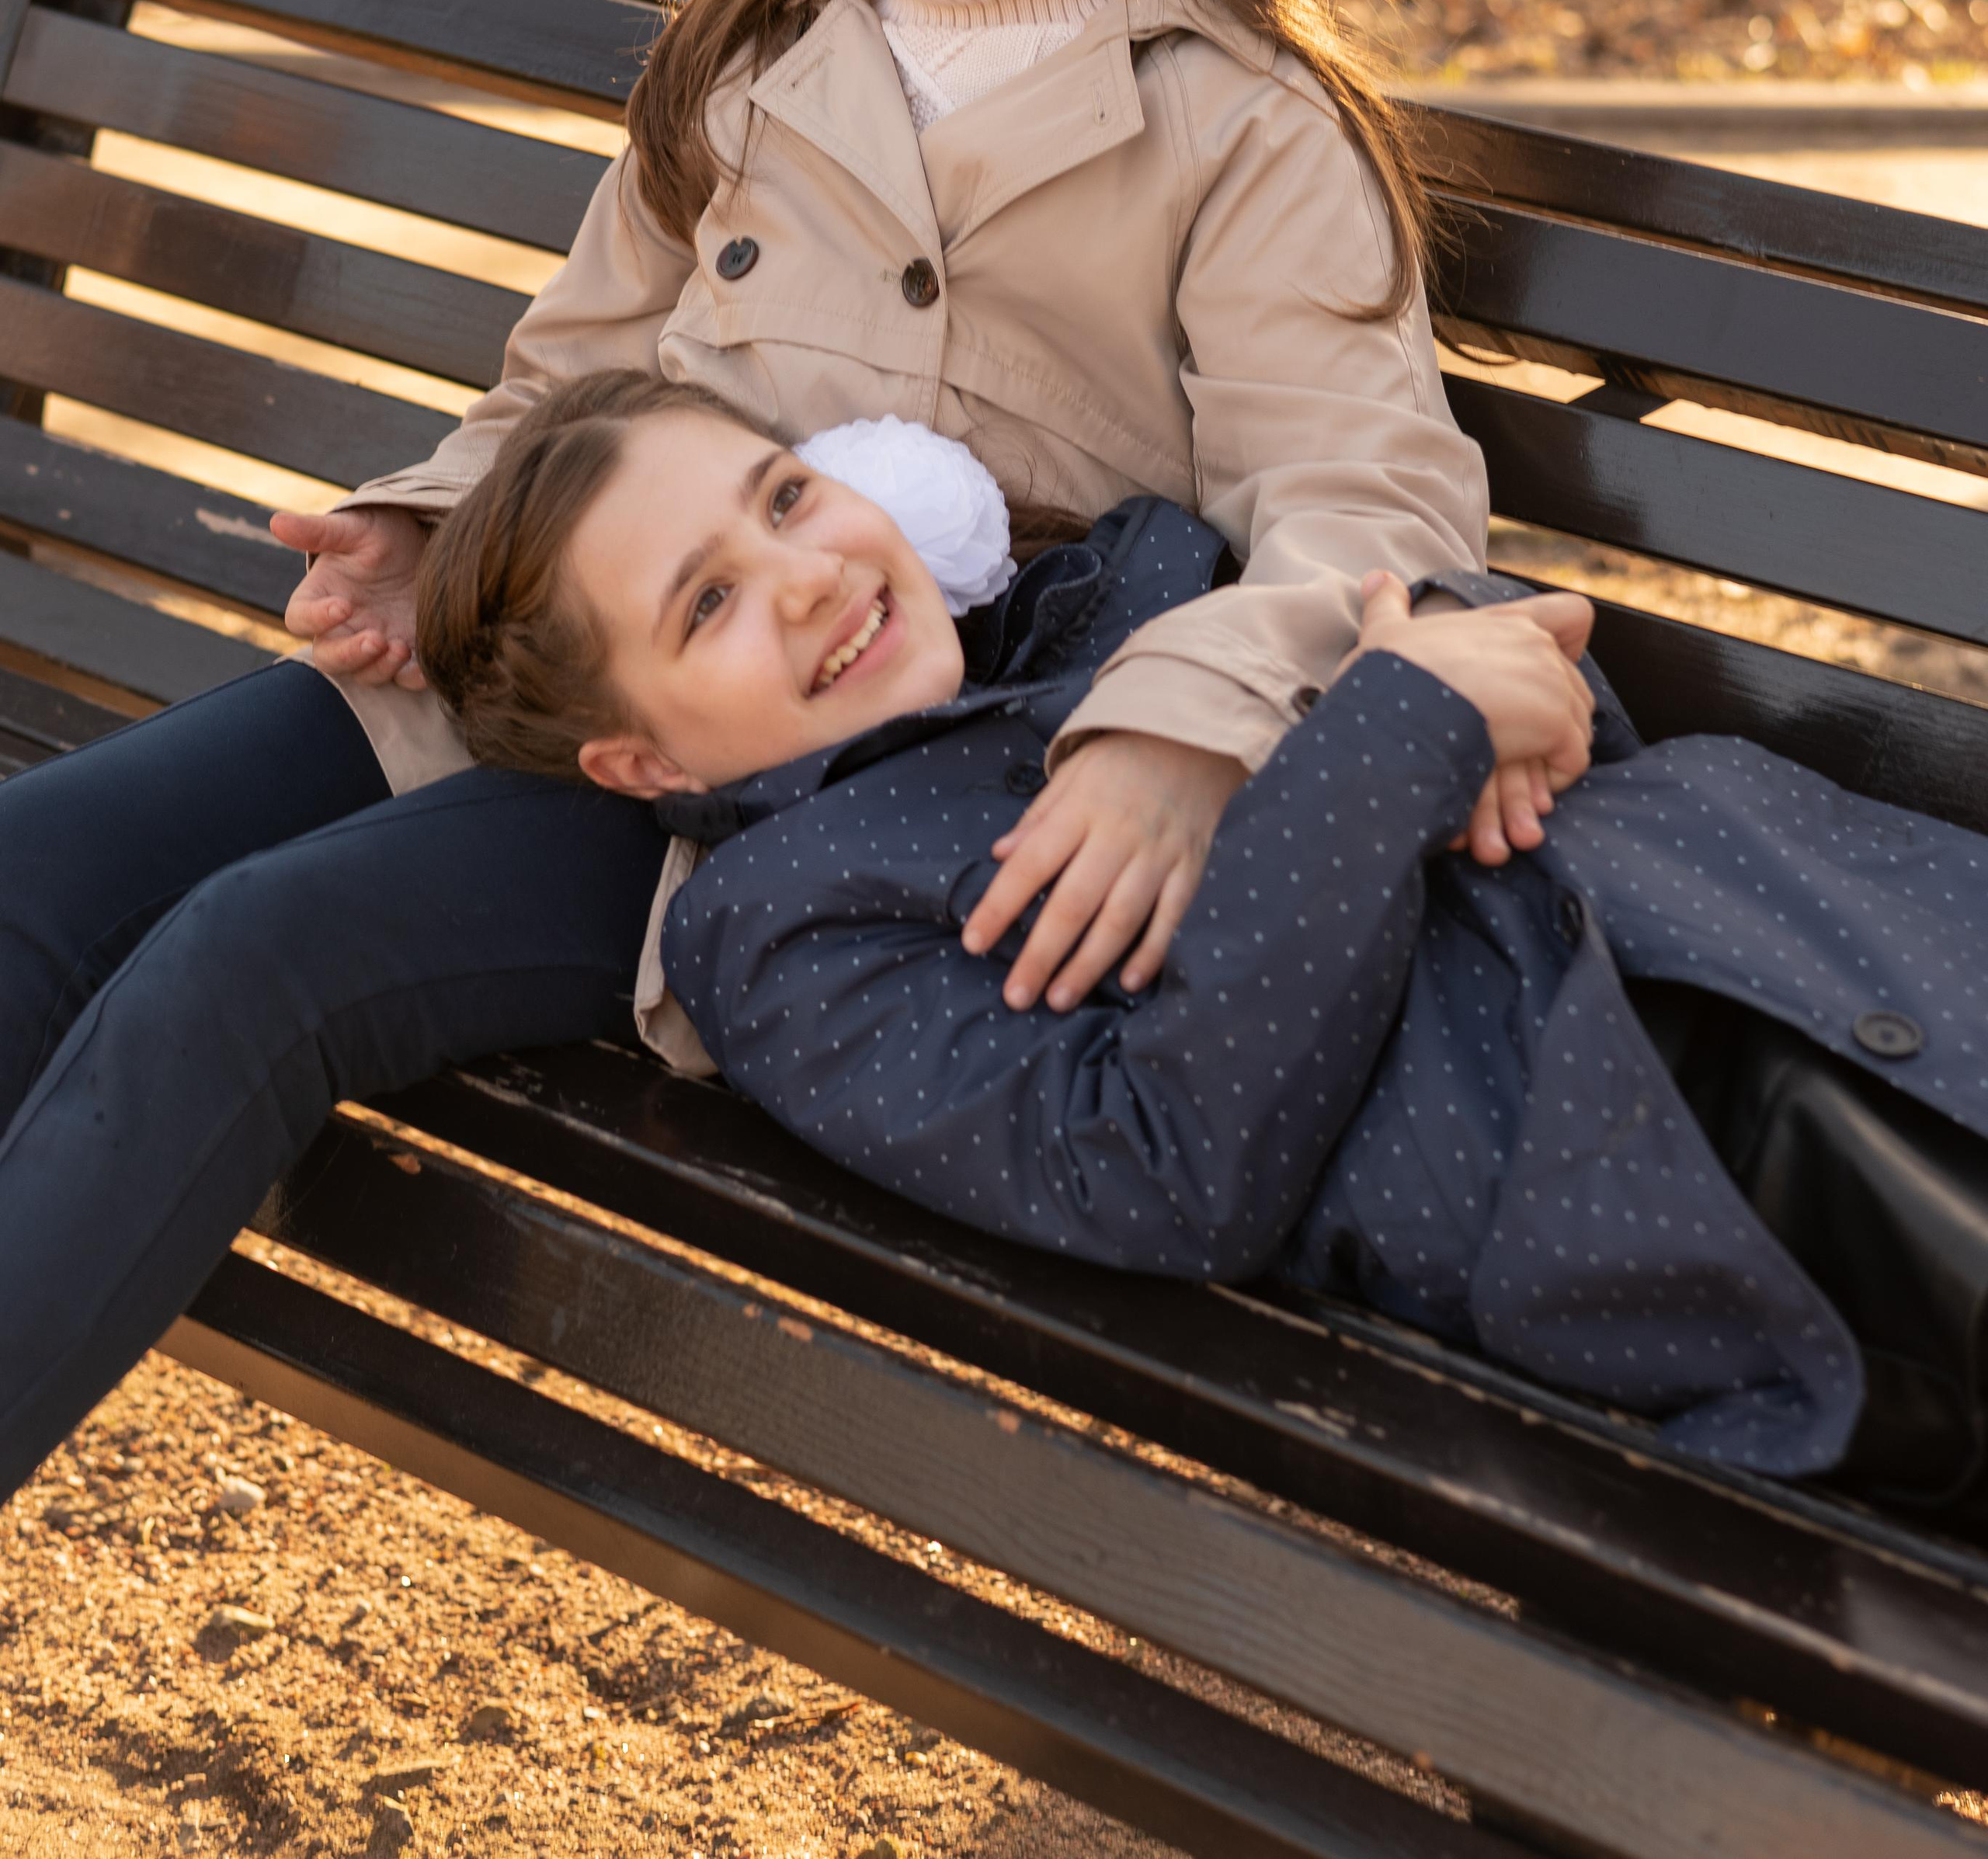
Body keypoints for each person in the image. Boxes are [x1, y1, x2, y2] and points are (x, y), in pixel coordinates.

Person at [0, 0, 1490, 1501]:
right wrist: (442, 524)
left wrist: (1180, 731)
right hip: (570, 661)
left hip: (831, 781)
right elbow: (586, 368)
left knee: (251, 968)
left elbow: (1373, 505)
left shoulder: (1232, 136)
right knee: (38, 877)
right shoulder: (767, 40)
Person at [426, 373, 1988, 1512]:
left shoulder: (1123, 582)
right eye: (706, 605)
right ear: (645, 765)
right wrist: (1402, 731)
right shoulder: (786, 935)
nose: (811, 571)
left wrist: (1477, 680)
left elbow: (1464, 652)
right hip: (1660, 1150)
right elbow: (1158, 1163)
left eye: (783, 497)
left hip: (1788, 895)